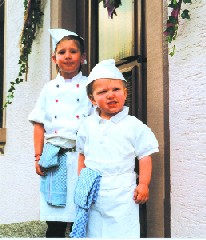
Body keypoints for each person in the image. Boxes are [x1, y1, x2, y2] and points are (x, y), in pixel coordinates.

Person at [71, 59, 159, 238]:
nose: (110, 95)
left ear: (125, 93)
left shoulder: (134, 126)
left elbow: (145, 156)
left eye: (116, 90)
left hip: (123, 193)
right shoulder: (87, 125)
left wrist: (143, 183)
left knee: (123, 232)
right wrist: (82, 181)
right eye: (103, 92)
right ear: (92, 99)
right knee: (94, 232)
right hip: (93, 191)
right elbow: (82, 154)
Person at [28, 28, 93, 238]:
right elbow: (39, 124)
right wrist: (38, 156)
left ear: (82, 57)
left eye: (73, 51)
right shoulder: (48, 88)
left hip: (82, 158)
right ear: (54, 58)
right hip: (54, 159)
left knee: (80, 218)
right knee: (54, 223)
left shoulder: (90, 86)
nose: (67, 56)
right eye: (62, 52)